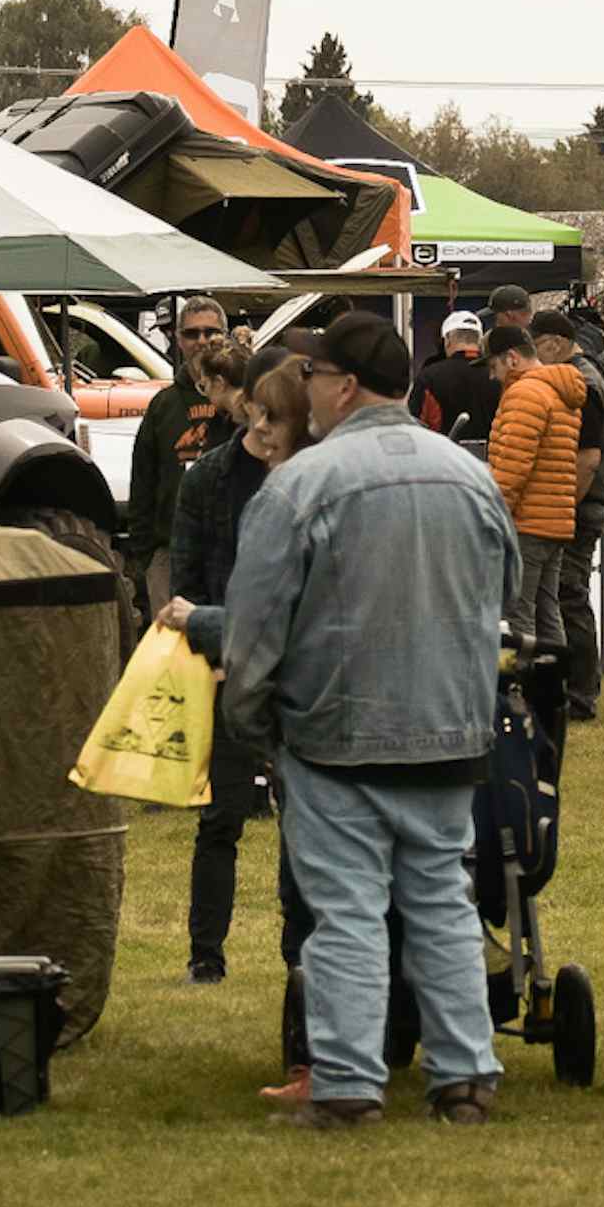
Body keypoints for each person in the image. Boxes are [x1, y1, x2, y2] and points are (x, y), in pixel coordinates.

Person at [220, 313, 515, 1130]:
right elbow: (505, 595)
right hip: (450, 730)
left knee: (346, 912)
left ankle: (349, 1082)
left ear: (342, 385)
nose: (304, 388)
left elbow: (253, 627)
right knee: (444, 905)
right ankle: (464, 1078)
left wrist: (257, 725)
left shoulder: (301, 484)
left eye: (312, 376)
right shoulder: (469, 474)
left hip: (335, 735)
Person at [163, 354, 308, 983]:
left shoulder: (308, 478)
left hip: (293, 671)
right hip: (223, 664)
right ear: (250, 404)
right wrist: (216, 653)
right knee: (219, 817)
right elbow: (186, 581)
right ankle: (205, 955)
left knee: (299, 821)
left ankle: (299, 957)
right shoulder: (210, 478)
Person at [128, 299, 245, 620]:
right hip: (170, 552)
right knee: (173, 657)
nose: (202, 341)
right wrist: (144, 555)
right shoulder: (163, 405)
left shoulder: (243, 401)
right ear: (178, 339)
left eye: (211, 332)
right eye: (192, 334)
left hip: (230, 548)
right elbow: (143, 481)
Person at [482, 323, 585, 661]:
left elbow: (512, 467)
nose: (492, 377)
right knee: (547, 610)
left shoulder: (525, 394)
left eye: (493, 366)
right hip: (554, 519)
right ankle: (555, 694)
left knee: (518, 614)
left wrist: (493, 516)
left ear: (511, 358)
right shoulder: (558, 391)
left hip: (526, 521)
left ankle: (524, 698)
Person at [531, 308, 604, 717]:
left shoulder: (580, 382)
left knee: (569, 595)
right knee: (564, 595)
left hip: (579, 504)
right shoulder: (586, 374)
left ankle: (581, 693)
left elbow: (588, 458)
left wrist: (565, 503)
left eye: (537, 347)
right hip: (580, 503)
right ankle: (573, 688)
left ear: (554, 342)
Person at [415, 309, 498, 446]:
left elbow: (417, 425)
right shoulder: (498, 374)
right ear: (479, 340)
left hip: (443, 459)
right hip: (494, 461)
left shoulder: (429, 376)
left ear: (447, 340)